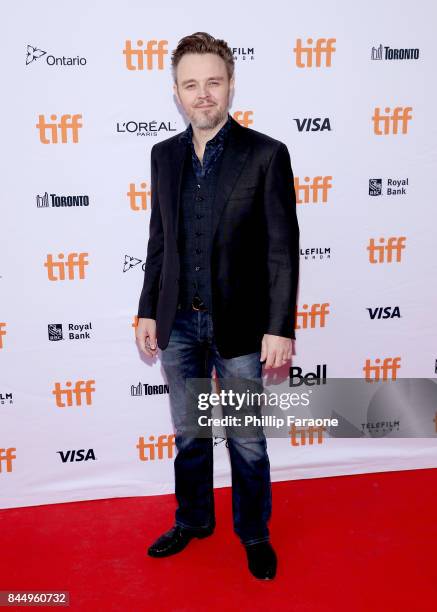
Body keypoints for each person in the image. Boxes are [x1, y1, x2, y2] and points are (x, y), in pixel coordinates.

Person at [135, 31, 299, 580]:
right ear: (176, 92)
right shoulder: (162, 156)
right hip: (178, 323)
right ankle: (194, 520)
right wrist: (148, 311)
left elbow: (281, 249)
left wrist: (279, 327)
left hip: (242, 325)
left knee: (247, 439)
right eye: (190, 85)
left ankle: (253, 532)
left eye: (213, 82)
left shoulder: (266, 154)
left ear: (230, 84)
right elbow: (159, 241)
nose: (202, 94)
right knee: (190, 433)